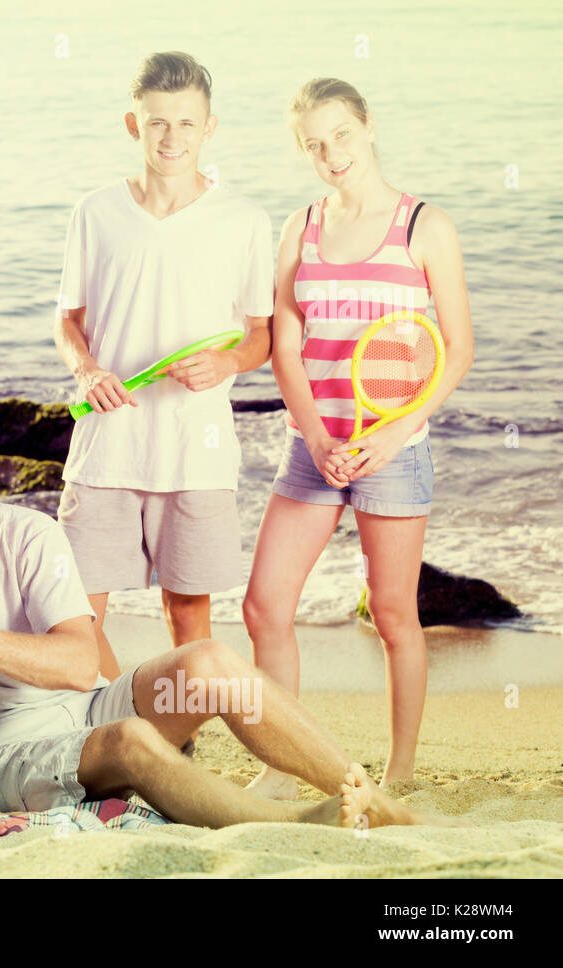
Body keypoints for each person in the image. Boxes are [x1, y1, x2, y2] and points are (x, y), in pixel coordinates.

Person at [0, 395, 450, 830]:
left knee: (211, 662)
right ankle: (299, 824)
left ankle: (367, 795)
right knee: (131, 740)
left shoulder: (28, 534)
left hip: (86, 704)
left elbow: (79, 664)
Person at [241, 79, 475, 797]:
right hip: (315, 449)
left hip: (393, 453)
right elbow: (286, 347)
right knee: (263, 605)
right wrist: (313, 435)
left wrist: (395, 433)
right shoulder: (299, 227)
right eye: (314, 143)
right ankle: (285, 766)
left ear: (368, 128)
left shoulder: (423, 227)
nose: (331, 153)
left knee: (395, 614)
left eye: (341, 134)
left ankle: (399, 775)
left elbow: (458, 349)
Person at [53, 51, 274, 678]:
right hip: (106, 445)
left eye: (185, 123)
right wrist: (88, 371)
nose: (171, 138)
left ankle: (178, 747)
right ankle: (116, 723)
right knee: (77, 616)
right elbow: (67, 320)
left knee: (187, 614)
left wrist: (227, 362)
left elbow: (262, 335)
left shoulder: (244, 221)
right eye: (157, 123)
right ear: (133, 125)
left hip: (196, 450)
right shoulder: (95, 212)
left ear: (209, 128)